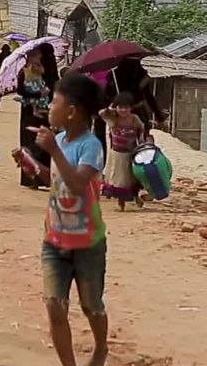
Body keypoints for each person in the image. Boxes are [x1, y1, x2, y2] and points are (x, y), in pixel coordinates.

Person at [19, 73, 109, 366]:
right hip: (54, 240)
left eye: (54, 102)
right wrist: (34, 168)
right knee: (54, 306)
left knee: (91, 306)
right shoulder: (58, 139)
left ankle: (101, 347)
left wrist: (53, 151)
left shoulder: (91, 146)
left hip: (87, 244)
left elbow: (78, 184)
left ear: (71, 111)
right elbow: (57, 180)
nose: (49, 106)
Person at [17, 44, 59, 189]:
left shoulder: (47, 71)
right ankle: (33, 178)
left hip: (40, 112)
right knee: (34, 142)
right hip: (34, 111)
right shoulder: (26, 71)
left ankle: (40, 177)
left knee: (38, 142)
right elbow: (21, 90)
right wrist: (38, 94)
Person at [99, 93, 146, 211]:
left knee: (132, 179)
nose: (123, 110)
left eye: (126, 107)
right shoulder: (113, 118)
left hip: (131, 153)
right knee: (119, 181)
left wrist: (142, 142)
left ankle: (135, 197)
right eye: (120, 107)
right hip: (116, 155)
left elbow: (141, 130)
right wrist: (111, 108)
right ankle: (121, 204)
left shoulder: (135, 119)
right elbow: (101, 113)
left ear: (131, 108)